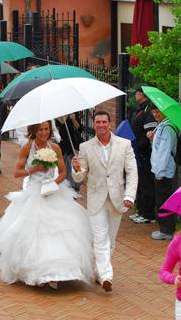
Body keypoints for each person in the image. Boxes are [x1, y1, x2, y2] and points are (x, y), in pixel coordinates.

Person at [0, 121, 94, 290]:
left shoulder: (55, 148)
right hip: (34, 191)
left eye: (47, 129)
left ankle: (60, 271)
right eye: (40, 130)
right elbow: (16, 172)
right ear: (34, 131)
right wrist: (33, 170)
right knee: (34, 232)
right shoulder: (27, 148)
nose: (44, 133)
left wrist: (54, 183)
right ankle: (39, 272)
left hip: (53, 191)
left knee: (60, 231)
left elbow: (63, 171)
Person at [72, 110, 138, 292]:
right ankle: (107, 275)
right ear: (94, 125)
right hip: (96, 199)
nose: (100, 125)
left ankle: (99, 271)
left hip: (118, 199)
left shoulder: (124, 145)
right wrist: (76, 169)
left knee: (111, 241)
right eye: (97, 122)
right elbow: (79, 177)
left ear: (110, 124)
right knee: (100, 240)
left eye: (104, 122)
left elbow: (132, 171)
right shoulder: (85, 147)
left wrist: (129, 195)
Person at [147, 104, 177, 240]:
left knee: (164, 201)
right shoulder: (162, 126)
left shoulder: (167, 128)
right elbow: (159, 148)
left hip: (164, 172)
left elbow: (164, 153)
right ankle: (165, 228)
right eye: (154, 112)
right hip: (160, 171)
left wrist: (159, 173)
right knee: (162, 199)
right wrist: (153, 138)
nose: (155, 114)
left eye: (158, 111)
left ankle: (166, 230)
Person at [129, 88, 158, 224]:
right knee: (140, 183)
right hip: (137, 152)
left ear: (141, 94)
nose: (135, 95)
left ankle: (148, 214)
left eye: (136, 93)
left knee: (146, 183)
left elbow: (148, 134)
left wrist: (139, 146)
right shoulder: (139, 110)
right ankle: (141, 211)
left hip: (144, 153)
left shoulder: (148, 113)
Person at [55, 113, 83, 192]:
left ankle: (75, 186)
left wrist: (73, 119)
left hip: (73, 143)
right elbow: (56, 133)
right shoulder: (57, 117)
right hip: (63, 144)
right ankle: (68, 186)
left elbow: (80, 129)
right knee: (65, 166)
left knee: (74, 165)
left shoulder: (73, 114)